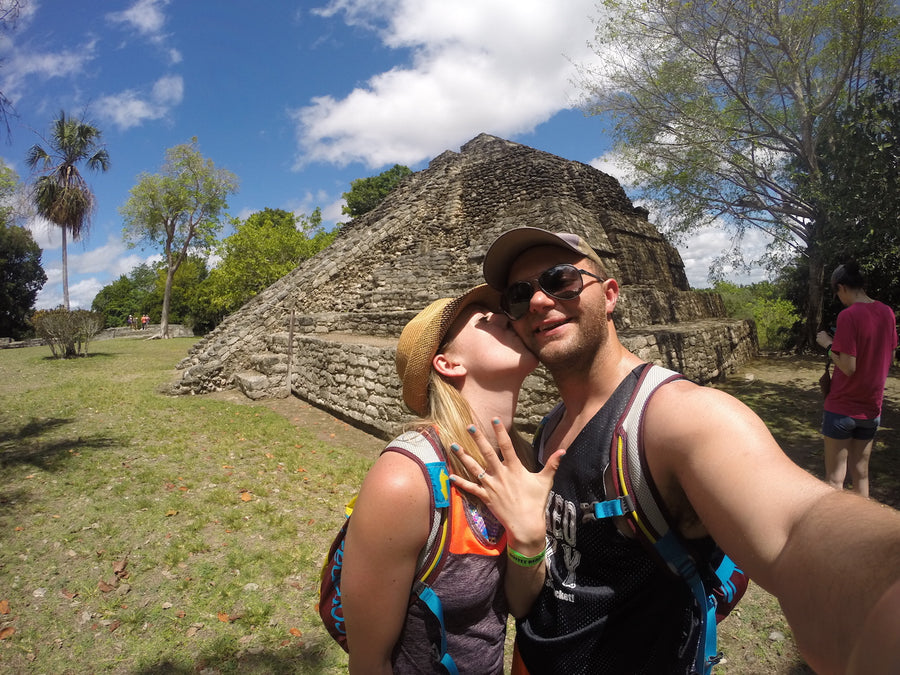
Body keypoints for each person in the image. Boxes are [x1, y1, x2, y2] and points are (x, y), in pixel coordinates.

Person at [471, 226, 900, 674]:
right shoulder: (549, 428)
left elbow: (797, 525)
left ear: (610, 294)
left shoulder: (675, 419)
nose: (539, 301)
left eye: (561, 280)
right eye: (519, 296)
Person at [340, 284, 564, 674]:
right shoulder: (406, 480)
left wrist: (528, 539)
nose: (505, 316)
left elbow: (518, 606)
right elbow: (368, 661)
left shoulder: (522, 460)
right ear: (448, 364)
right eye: (484, 319)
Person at [815, 262, 897, 498]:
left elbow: (849, 367)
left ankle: (838, 533)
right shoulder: (887, 312)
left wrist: (828, 344)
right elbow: (890, 356)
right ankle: (864, 531)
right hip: (872, 409)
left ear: (842, 287)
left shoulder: (848, 316)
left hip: (842, 408)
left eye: (836, 292)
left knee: (834, 479)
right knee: (861, 474)